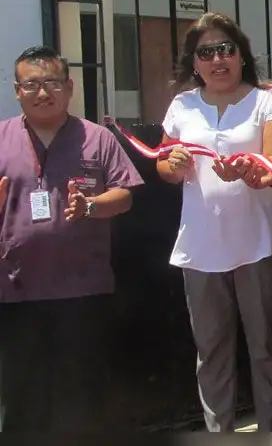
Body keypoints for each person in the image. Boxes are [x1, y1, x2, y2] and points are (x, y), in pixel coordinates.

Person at [156, 12, 272, 432]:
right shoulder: (182, 105)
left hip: (261, 242)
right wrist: (174, 161)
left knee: (266, 349)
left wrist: (248, 168)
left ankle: (270, 431)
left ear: (241, 55)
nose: (218, 59)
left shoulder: (269, 98)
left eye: (226, 49)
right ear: (194, 61)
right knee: (212, 351)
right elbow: (164, 166)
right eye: (207, 52)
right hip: (202, 246)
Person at [0, 45, 144, 431]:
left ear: (69, 87)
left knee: (82, 398)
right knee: (20, 399)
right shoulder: (0, 137)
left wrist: (91, 207)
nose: (42, 92)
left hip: (82, 290)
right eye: (31, 84)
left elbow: (125, 196)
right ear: (17, 90)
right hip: (15, 292)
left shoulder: (96, 138)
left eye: (51, 83)